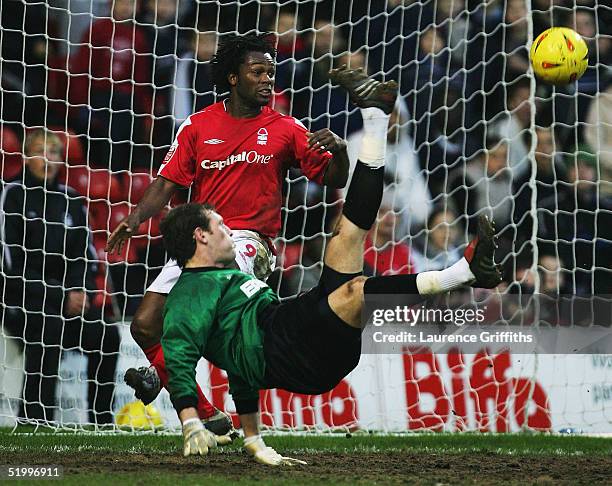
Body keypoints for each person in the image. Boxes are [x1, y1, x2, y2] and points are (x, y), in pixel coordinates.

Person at [158, 68, 502, 464]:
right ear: (200, 238)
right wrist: (190, 421)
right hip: (296, 354)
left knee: (347, 235)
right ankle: (463, 274)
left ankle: (374, 118)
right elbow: (180, 356)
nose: (228, 230)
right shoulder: (191, 292)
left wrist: (254, 440)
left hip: (290, 327)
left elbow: (239, 364)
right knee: (354, 292)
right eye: (219, 226)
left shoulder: (228, 275)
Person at [105, 33, 350, 435]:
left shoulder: (287, 128)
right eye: (258, 72)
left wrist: (338, 150)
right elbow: (166, 184)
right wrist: (135, 218)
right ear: (233, 78)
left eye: (271, 72)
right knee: (144, 325)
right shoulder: (198, 126)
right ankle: (205, 410)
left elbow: (330, 176)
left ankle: (157, 372)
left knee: (212, 291)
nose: (268, 80)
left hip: (252, 243)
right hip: (199, 239)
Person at [1, 129, 119, 424]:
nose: (48, 159)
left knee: (107, 334)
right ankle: (36, 418)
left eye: (54, 153)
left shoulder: (71, 199)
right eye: (41, 152)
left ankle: (101, 419)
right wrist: (60, 296)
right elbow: (11, 266)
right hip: (23, 302)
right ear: (27, 158)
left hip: (69, 301)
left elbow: (86, 257)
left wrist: (80, 292)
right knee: (49, 325)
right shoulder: (12, 195)